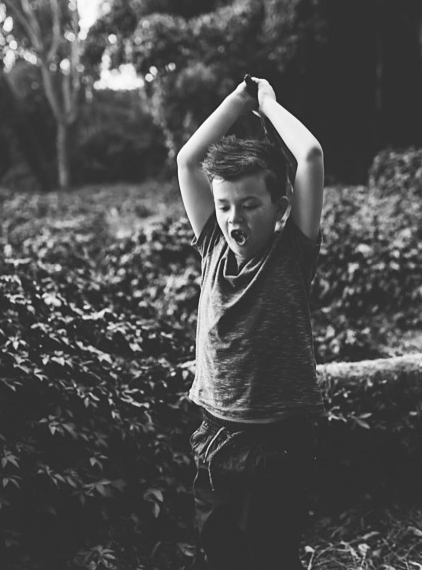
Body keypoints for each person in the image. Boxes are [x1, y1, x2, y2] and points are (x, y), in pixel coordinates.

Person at [176, 76, 325, 570]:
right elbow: (187, 161)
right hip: (215, 436)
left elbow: (310, 157)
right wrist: (236, 102)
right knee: (220, 552)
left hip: (279, 442)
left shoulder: (292, 254)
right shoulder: (212, 247)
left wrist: (267, 104)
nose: (234, 218)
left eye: (249, 204)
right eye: (223, 206)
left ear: (280, 209)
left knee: (271, 556)